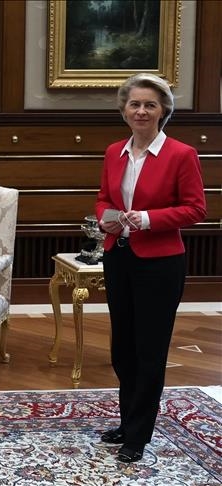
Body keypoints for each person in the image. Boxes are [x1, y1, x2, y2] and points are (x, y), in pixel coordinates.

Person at [95, 73, 206, 463]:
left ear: (163, 111)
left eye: (149, 105)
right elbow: (104, 198)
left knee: (149, 350)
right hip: (119, 256)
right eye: (134, 104)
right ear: (124, 110)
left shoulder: (181, 154)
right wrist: (106, 218)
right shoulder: (114, 152)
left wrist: (147, 219)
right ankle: (128, 421)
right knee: (122, 349)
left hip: (160, 264)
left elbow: (196, 209)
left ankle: (138, 435)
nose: (141, 111)